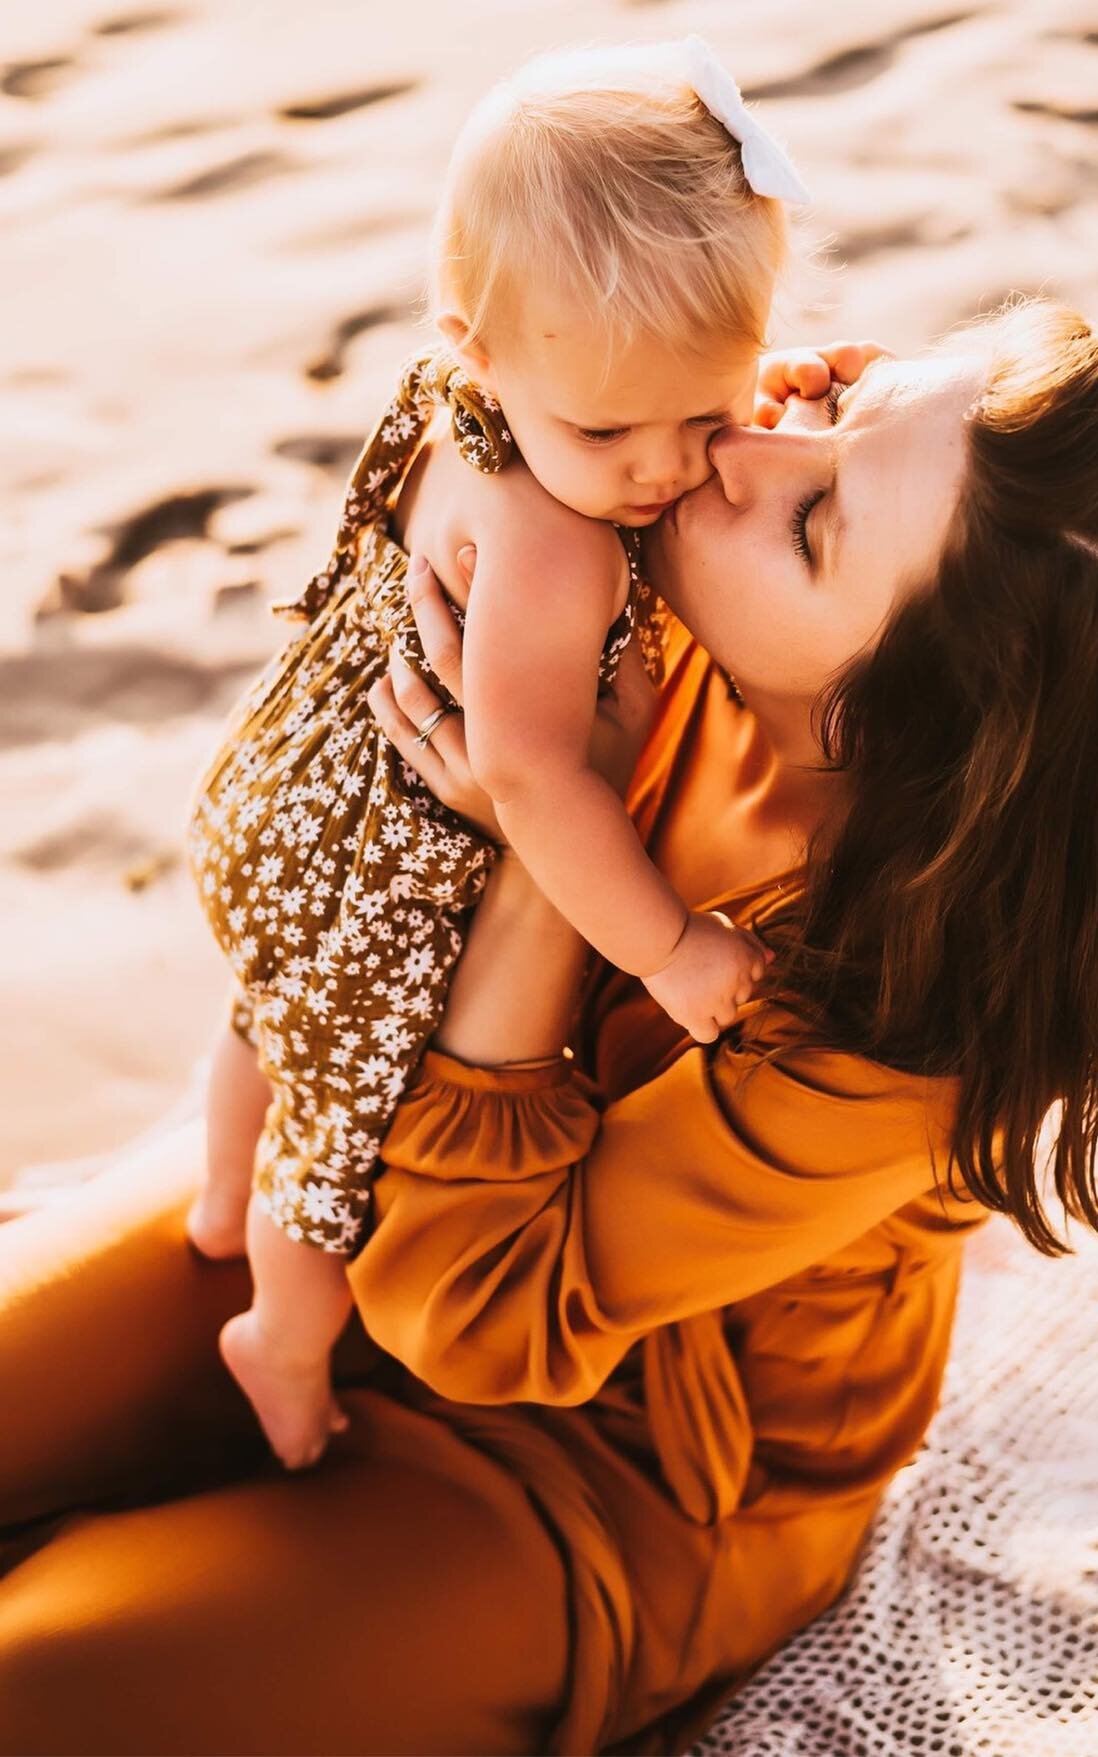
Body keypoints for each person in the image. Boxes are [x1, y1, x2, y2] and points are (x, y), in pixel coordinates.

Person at [0, 302, 1098, 1756]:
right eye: (842, 393)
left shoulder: (902, 1028)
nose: (748, 450)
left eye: (815, 521)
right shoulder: (669, 542)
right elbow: (494, 363)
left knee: (34, 1678)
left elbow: (476, 1316)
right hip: (343, 1175)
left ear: (885, 726)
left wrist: (553, 841)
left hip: (611, 1463)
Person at [184, 38, 800, 1468]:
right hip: (390, 844)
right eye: (608, 427)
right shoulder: (553, 532)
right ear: (479, 345)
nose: (658, 466)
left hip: (290, 793)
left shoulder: (465, 396)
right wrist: (665, 948)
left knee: (266, 1001)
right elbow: (529, 773)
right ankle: (276, 1330)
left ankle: (216, 1197)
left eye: (708, 412)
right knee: (342, 1107)